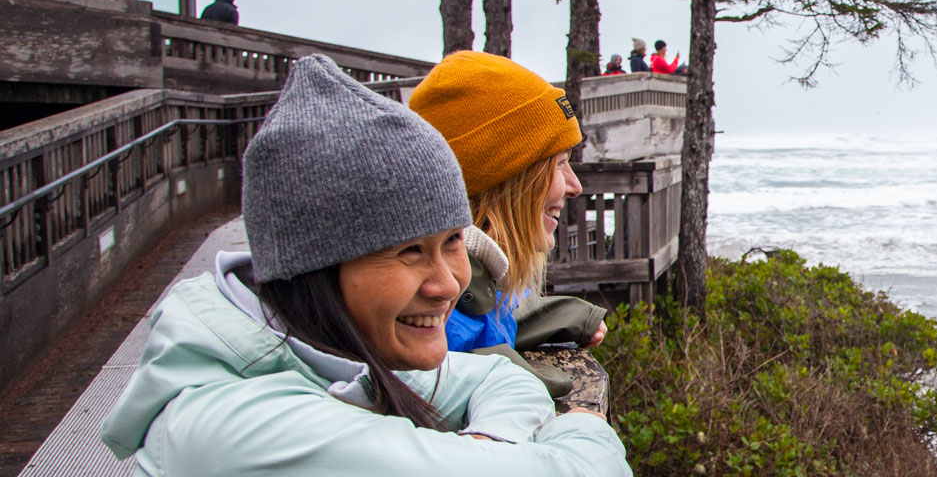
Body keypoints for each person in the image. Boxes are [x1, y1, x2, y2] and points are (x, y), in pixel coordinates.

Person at [98, 55, 628, 475]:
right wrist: (585, 428)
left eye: (450, 242)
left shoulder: (328, 351)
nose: (448, 282)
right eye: (408, 252)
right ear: (318, 265)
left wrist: (487, 444)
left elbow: (499, 378)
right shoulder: (247, 431)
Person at [409, 51, 611, 399]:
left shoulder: (475, 280)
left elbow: (494, 309)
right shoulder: (433, 308)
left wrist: (568, 315)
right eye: (560, 164)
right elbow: (454, 354)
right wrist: (512, 376)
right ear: (508, 179)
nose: (575, 186)